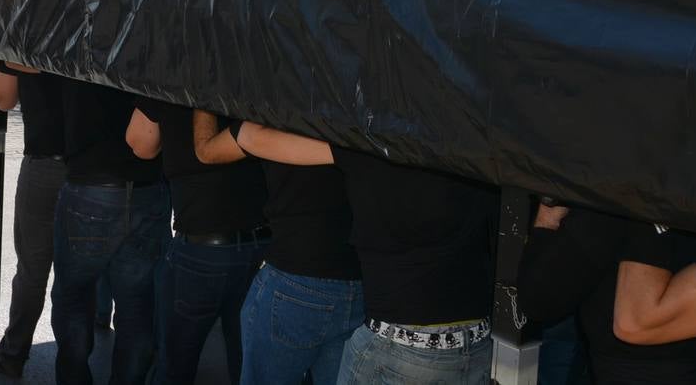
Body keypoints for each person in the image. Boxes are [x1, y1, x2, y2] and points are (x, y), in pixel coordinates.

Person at [208, 120, 496, 384]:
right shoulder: (479, 142)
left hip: (394, 340)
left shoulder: (366, 144)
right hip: (476, 340)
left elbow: (246, 139)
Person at [194, 112, 364, 385]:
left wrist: (202, 97)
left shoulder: (274, 116)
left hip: (294, 278)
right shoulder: (368, 118)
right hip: (362, 282)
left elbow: (207, 150)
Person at [125, 100, 270, 385]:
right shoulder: (260, 64)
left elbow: (139, 142)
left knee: (175, 366)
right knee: (248, 366)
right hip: (262, 241)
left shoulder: (176, 68)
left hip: (202, 245)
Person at [50, 76, 170, 385]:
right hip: (145, 185)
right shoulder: (154, 34)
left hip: (88, 183)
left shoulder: (77, 31)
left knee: (74, 296)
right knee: (137, 303)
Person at [518, 204, 696, 382]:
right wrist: (549, 209)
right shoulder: (619, 197)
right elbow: (537, 298)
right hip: (606, 365)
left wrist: (647, 199)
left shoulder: (634, 194)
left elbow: (634, 323)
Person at [0, 64, 66, 378]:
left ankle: (14, 352)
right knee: (80, 273)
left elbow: (2, 98)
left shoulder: (29, 30)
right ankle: (74, 363)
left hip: (45, 162)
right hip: (93, 165)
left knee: (32, 267)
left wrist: (8, 59)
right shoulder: (100, 21)